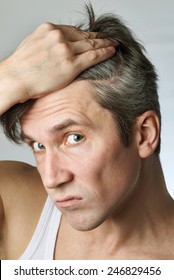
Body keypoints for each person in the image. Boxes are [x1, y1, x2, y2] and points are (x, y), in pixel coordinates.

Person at [0, 4, 174, 260]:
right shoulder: (13, 208)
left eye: (74, 137)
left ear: (144, 135)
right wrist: (9, 79)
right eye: (38, 145)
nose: (51, 179)